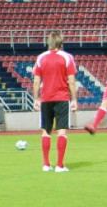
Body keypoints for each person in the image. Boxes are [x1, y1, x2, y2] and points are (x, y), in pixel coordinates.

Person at [33, 31, 78, 173]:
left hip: (46, 98)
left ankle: (46, 164)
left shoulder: (41, 58)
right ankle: (60, 165)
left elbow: (36, 81)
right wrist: (74, 99)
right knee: (62, 131)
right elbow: (71, 81)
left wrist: (36, 98)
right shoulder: (67, 57)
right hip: (62, 97)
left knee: (46, 131)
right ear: (61, 42)